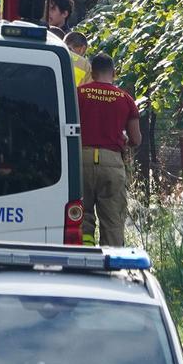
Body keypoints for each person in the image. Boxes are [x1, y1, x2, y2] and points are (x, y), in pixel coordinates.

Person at [76, 52, 141, 246]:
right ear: (114, 72)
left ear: (92, 72)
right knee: (113, 221)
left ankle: (82, 258)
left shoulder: (78, 94)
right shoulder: (125, 99)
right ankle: (110, 267)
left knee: (81, 215)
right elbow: (136, 139)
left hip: (81, 160)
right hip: (112, 163)